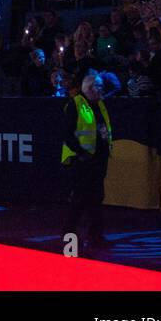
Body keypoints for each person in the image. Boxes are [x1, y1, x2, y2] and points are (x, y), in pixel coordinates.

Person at [62, 71, 112, 252]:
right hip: (81, 161)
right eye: (98, 86)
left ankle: (96, 237)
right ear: (89, 88)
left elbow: (103, 131)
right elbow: (67, 134)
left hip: (97, 161)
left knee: (96, 200)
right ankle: (69, 239)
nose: (102, 90)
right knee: (78, 201)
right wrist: (81, 153)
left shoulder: (100, 104)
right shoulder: (76, 104)